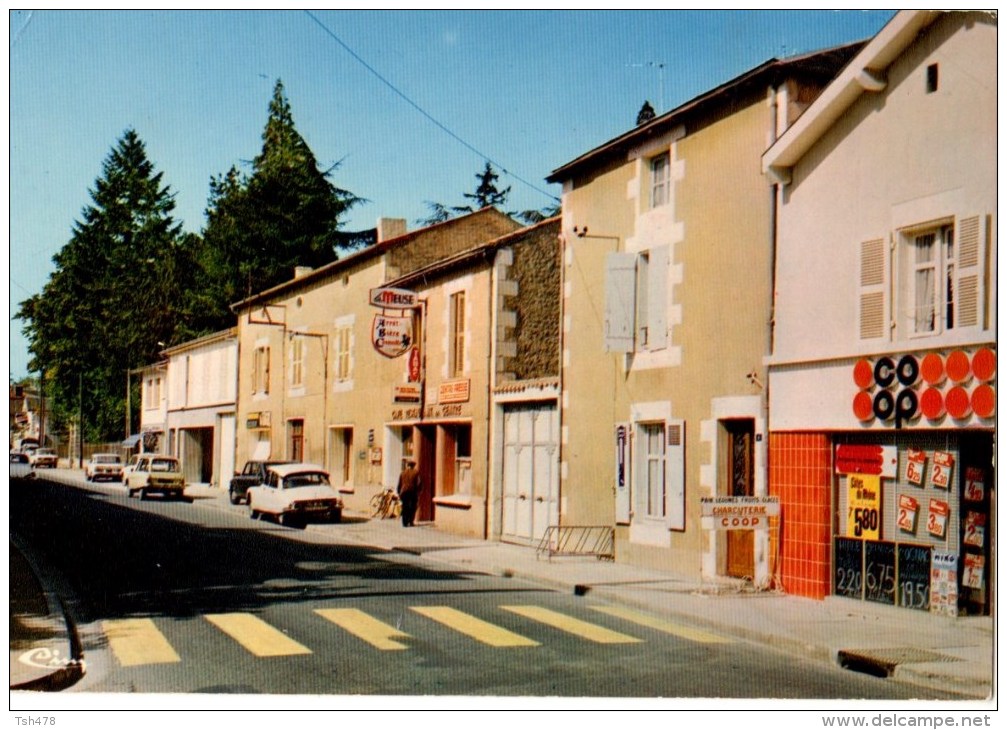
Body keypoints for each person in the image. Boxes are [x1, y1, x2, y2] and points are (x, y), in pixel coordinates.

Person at [397, 459, 421, 527]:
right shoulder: (416, 473)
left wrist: (399, 492)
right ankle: (410, 521)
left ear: (407, 465)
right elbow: (419, 483)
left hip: (403, 492)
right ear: (413, 466)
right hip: (412, 492)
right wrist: (419, 492)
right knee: (412, 507)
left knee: (405, 506)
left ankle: (404, 522)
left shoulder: (402, 473)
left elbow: (399, 484)